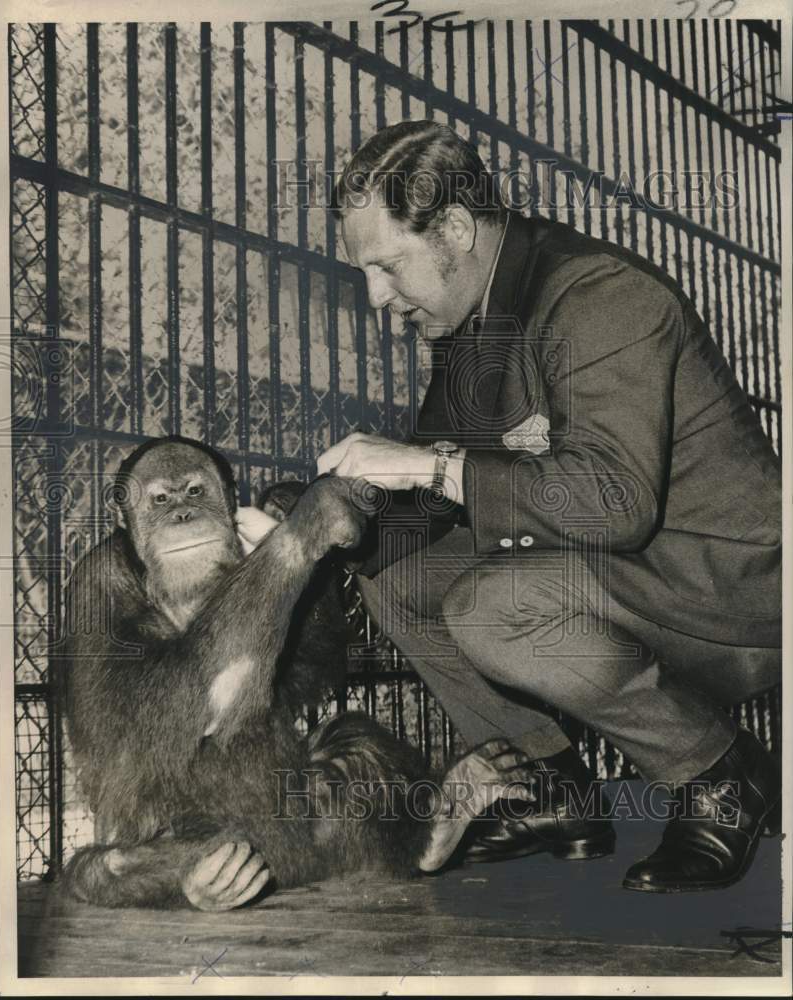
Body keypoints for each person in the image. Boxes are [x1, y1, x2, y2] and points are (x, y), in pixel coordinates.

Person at [238, 120, 782, 892]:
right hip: (629, 576)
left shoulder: (600, 297)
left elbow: (614, 502)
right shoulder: (471, 325)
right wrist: (312, 530)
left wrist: (429, 464)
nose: (376, 298)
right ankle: (546, 789)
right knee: (397, 573)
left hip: (729, 591)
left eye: (388, 266)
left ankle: (720, 776)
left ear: (455, 229)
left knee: (491, 608)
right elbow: (420, 512)